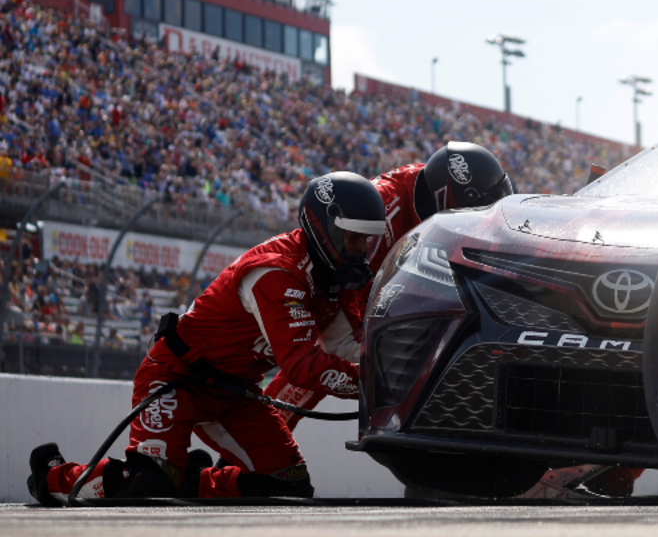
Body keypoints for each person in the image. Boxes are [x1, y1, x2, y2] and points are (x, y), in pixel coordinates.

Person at [27, 173, 388, 503]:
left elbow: (349, 348)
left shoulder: (337, 281)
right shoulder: (277, 272)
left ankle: (194, 480)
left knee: (289, 486)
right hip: (177, 379)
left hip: (235, 392)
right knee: (149, 483)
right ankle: (53, 476)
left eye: (367, 242)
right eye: (353, 238)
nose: (361, 251)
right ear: (324, 229)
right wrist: (381, 384)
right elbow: (302, 366)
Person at [262, 142, 513, 420]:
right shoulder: (386, 206)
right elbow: (345, 273)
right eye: (479, 207)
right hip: (345, 293)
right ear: (452, 198)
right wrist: (363, 340)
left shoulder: (432, 190)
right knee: (338, 363)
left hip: (381, 291)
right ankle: (269, 427)